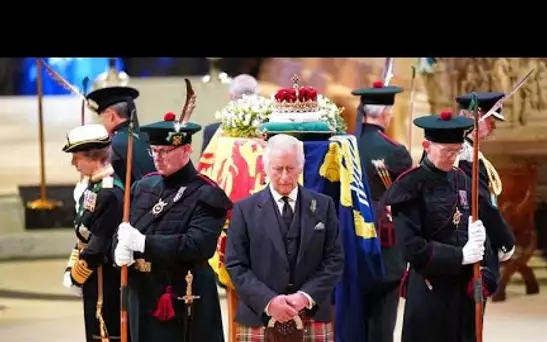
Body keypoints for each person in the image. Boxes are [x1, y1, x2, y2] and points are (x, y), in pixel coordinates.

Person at [112, 111, 233, 342]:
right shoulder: (142, 186)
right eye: (154, 151)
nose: (157, 157)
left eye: (165, 151)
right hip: (141, 294)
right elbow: (124, 231)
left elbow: (197, 246)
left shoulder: (207, 194)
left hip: (181, 296)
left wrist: (143, 243)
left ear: (186, 151)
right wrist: (118, 250)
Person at [385, 111, 500, 341]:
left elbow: (480, 228)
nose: (452, 157)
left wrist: (486, 266)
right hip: (430, 293)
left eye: (457, 151)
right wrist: (460, 256)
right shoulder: (409, 186)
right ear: (426, 145)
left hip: (464, 291)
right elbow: (411, 247)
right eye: (446, 151)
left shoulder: (463, 180)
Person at [225, 134, 344, 342]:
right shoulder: (244, 209)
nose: (284, 177)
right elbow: (235, 265)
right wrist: (269, 301)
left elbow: (334, 260)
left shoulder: (323, 206)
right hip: (258, 316)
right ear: (266, 167)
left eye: (290, 169)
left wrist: (304, 297)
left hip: (312, 314)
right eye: (277, 169)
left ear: (301, 166)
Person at [351, 80, 412, 341]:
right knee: (382, 322)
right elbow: (407, 198)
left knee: (353, 318)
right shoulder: (395, 153)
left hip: (350, 240)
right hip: (384, 243)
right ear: (387, 113)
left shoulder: (344, 147)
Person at [61, 124, 124, 342]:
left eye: (76, 157)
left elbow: (97, 247)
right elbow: (83, 236)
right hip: (93, 277)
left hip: (103, 279)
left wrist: (75, 275)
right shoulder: (93, 187)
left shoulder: (109, 193)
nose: (74, 164)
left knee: (103, 333)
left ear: (93, 157)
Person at [455, 91, 516, 263]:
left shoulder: (468, 150)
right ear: (476, 118)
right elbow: (481, 202)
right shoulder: (464, 155)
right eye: (491, 120)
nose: (494, 126)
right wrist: (506, 241)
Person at [85, 86, 156, 184]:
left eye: (101, 118)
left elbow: (110, 191)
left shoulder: (111, 146)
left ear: (111, 116)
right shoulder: (153, 138)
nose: (101, 123)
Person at [201, 74, 259, 152]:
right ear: (257, 96)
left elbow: (205, 163)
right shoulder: (267, 131)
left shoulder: (212, 131)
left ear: (231, 96)